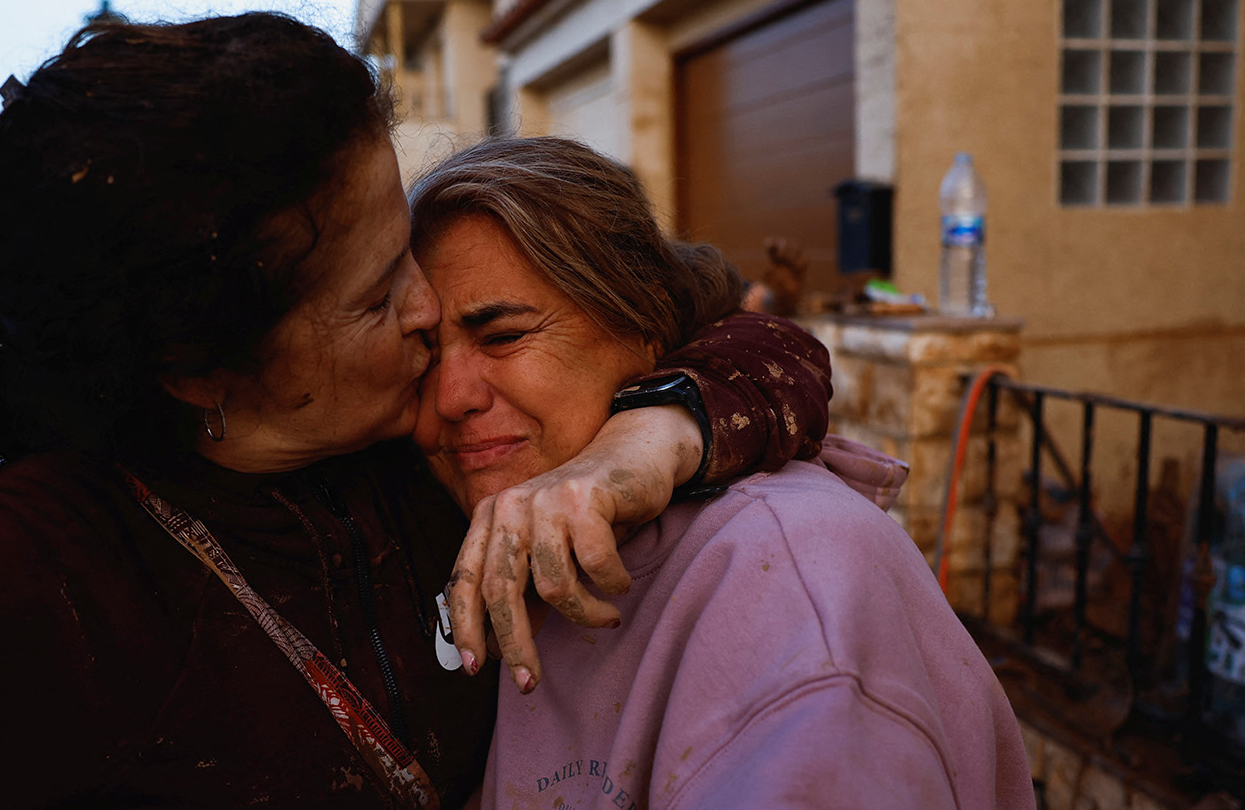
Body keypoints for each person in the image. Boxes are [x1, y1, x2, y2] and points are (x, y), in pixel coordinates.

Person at [0, 16, 832, 808]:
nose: (430, 313)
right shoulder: (18, 578)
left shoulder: (409, 438)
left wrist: (646, 435)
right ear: (198, 368)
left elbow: (758, 340)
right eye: (379, 295)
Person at [410, 137, 1034, 810]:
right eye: (420, 353)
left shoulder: (791, 584)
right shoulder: (447, 520)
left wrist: (651, 432)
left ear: (642, 321)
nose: (450, 397)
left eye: (502, 337)